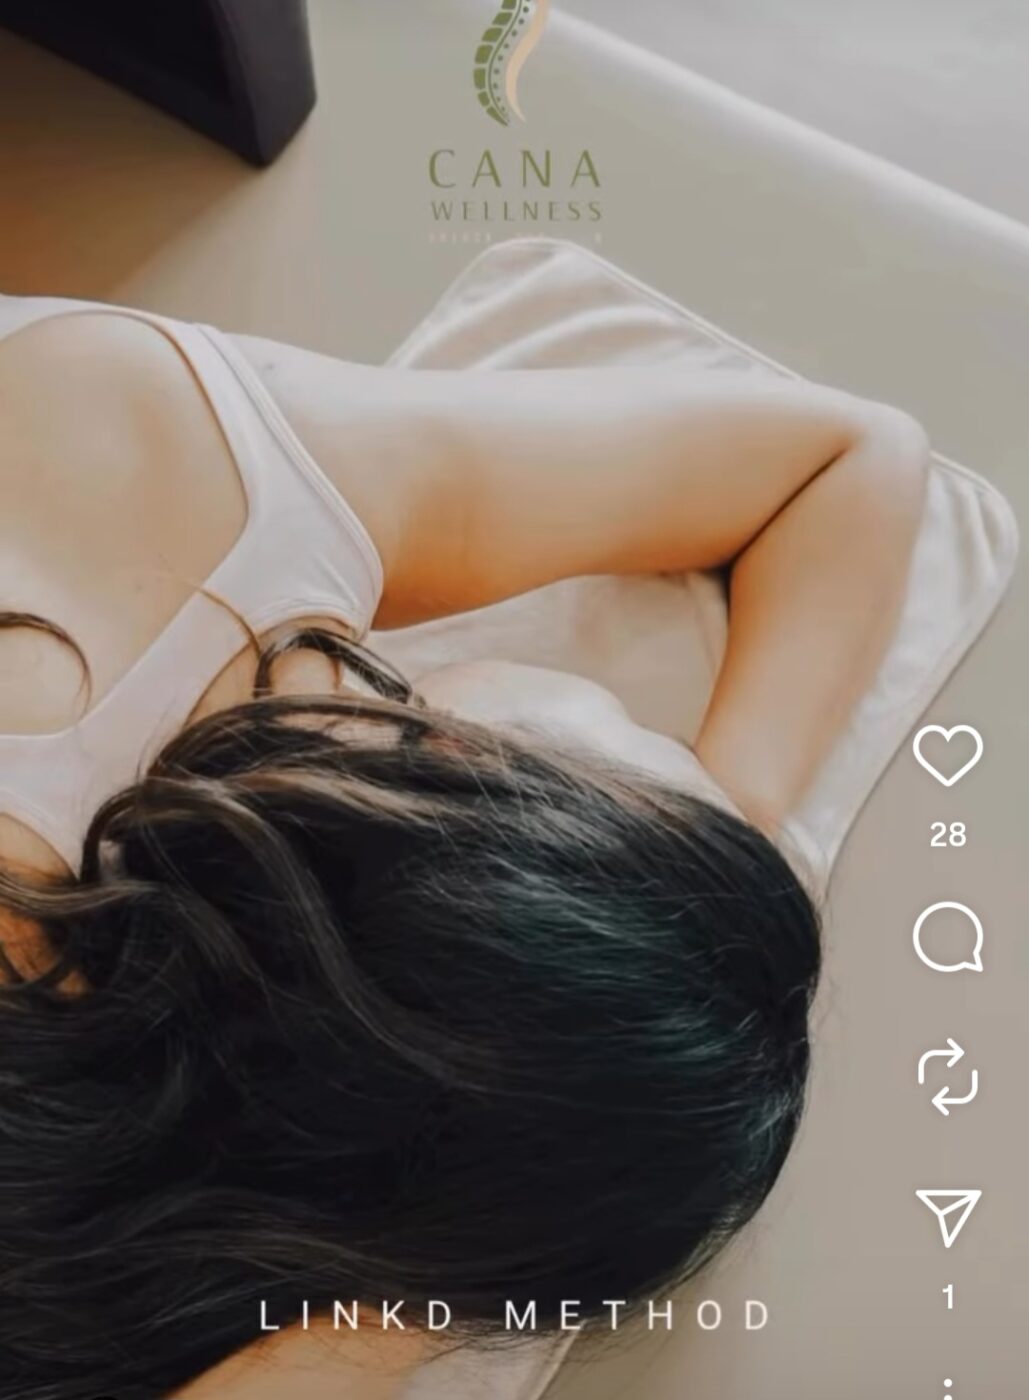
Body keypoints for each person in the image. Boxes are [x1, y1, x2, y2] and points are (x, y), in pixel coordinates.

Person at [0, 306, 929, 1400]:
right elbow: (849, 459)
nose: (681, 763)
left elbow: (850, 448)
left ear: (480, 770)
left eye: (655, 768)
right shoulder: (66, 1057)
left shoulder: (254, 498)